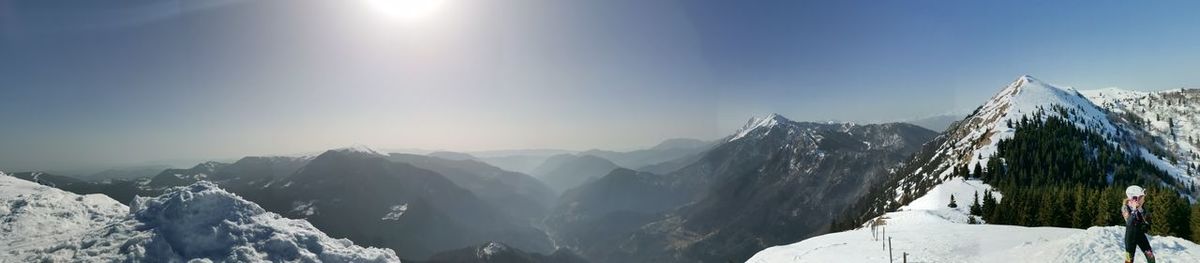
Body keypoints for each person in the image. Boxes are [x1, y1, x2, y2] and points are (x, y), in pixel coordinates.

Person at [1121, 185, 1154, 263]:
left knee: (1150, 256)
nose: (1144, 199)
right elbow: (1129, 222)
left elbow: (1148, 221)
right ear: (1135, 198)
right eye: (1142, 197)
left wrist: (1141, 210)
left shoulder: (1141, 208)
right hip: (1130, 236)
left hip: (1140, 235)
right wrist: (1134, 210)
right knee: (1129, 259)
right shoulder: (1125, 207)